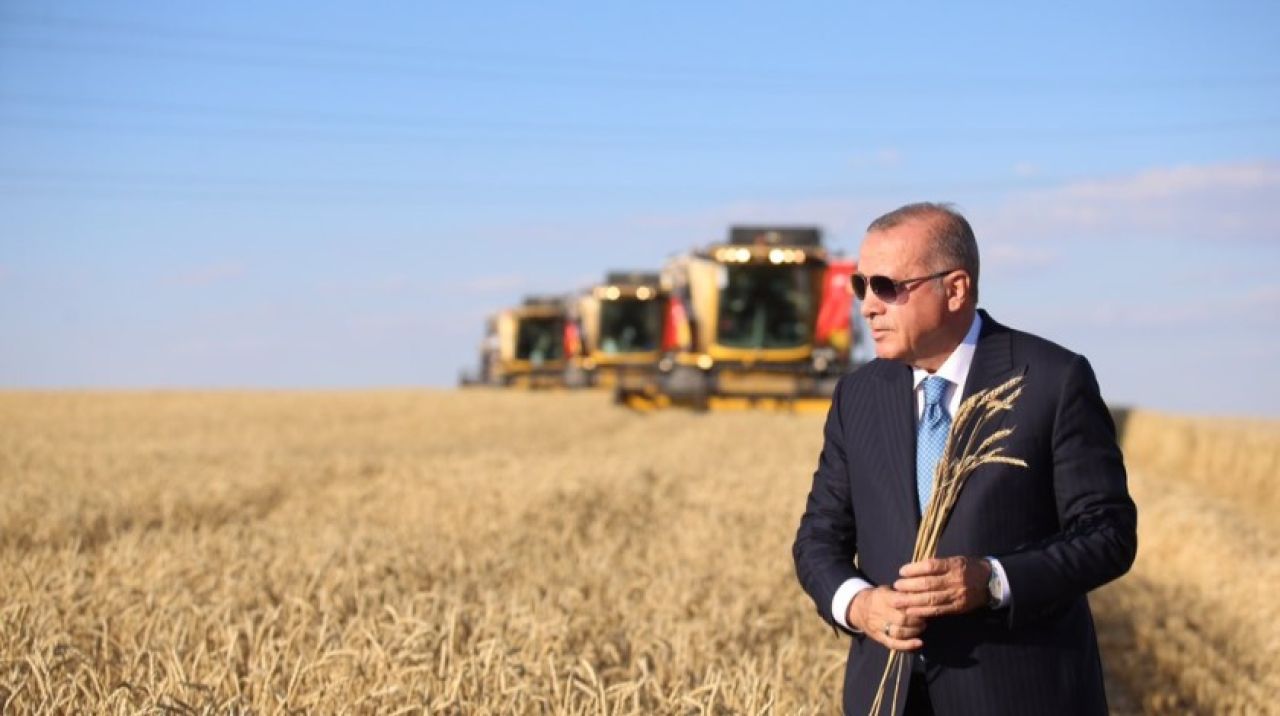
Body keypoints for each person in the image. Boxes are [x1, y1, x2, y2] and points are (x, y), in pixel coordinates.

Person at [792, 203, 1137, 715]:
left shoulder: (1053, 380)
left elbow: (1108, 534)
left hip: (1022, 698)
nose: (867, 307)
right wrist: (859, 606)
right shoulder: (857, 395)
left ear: (955, 289)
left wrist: (993, 580)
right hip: (889, 698)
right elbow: (818, 539)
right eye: (861, 286)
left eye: (886, 286)